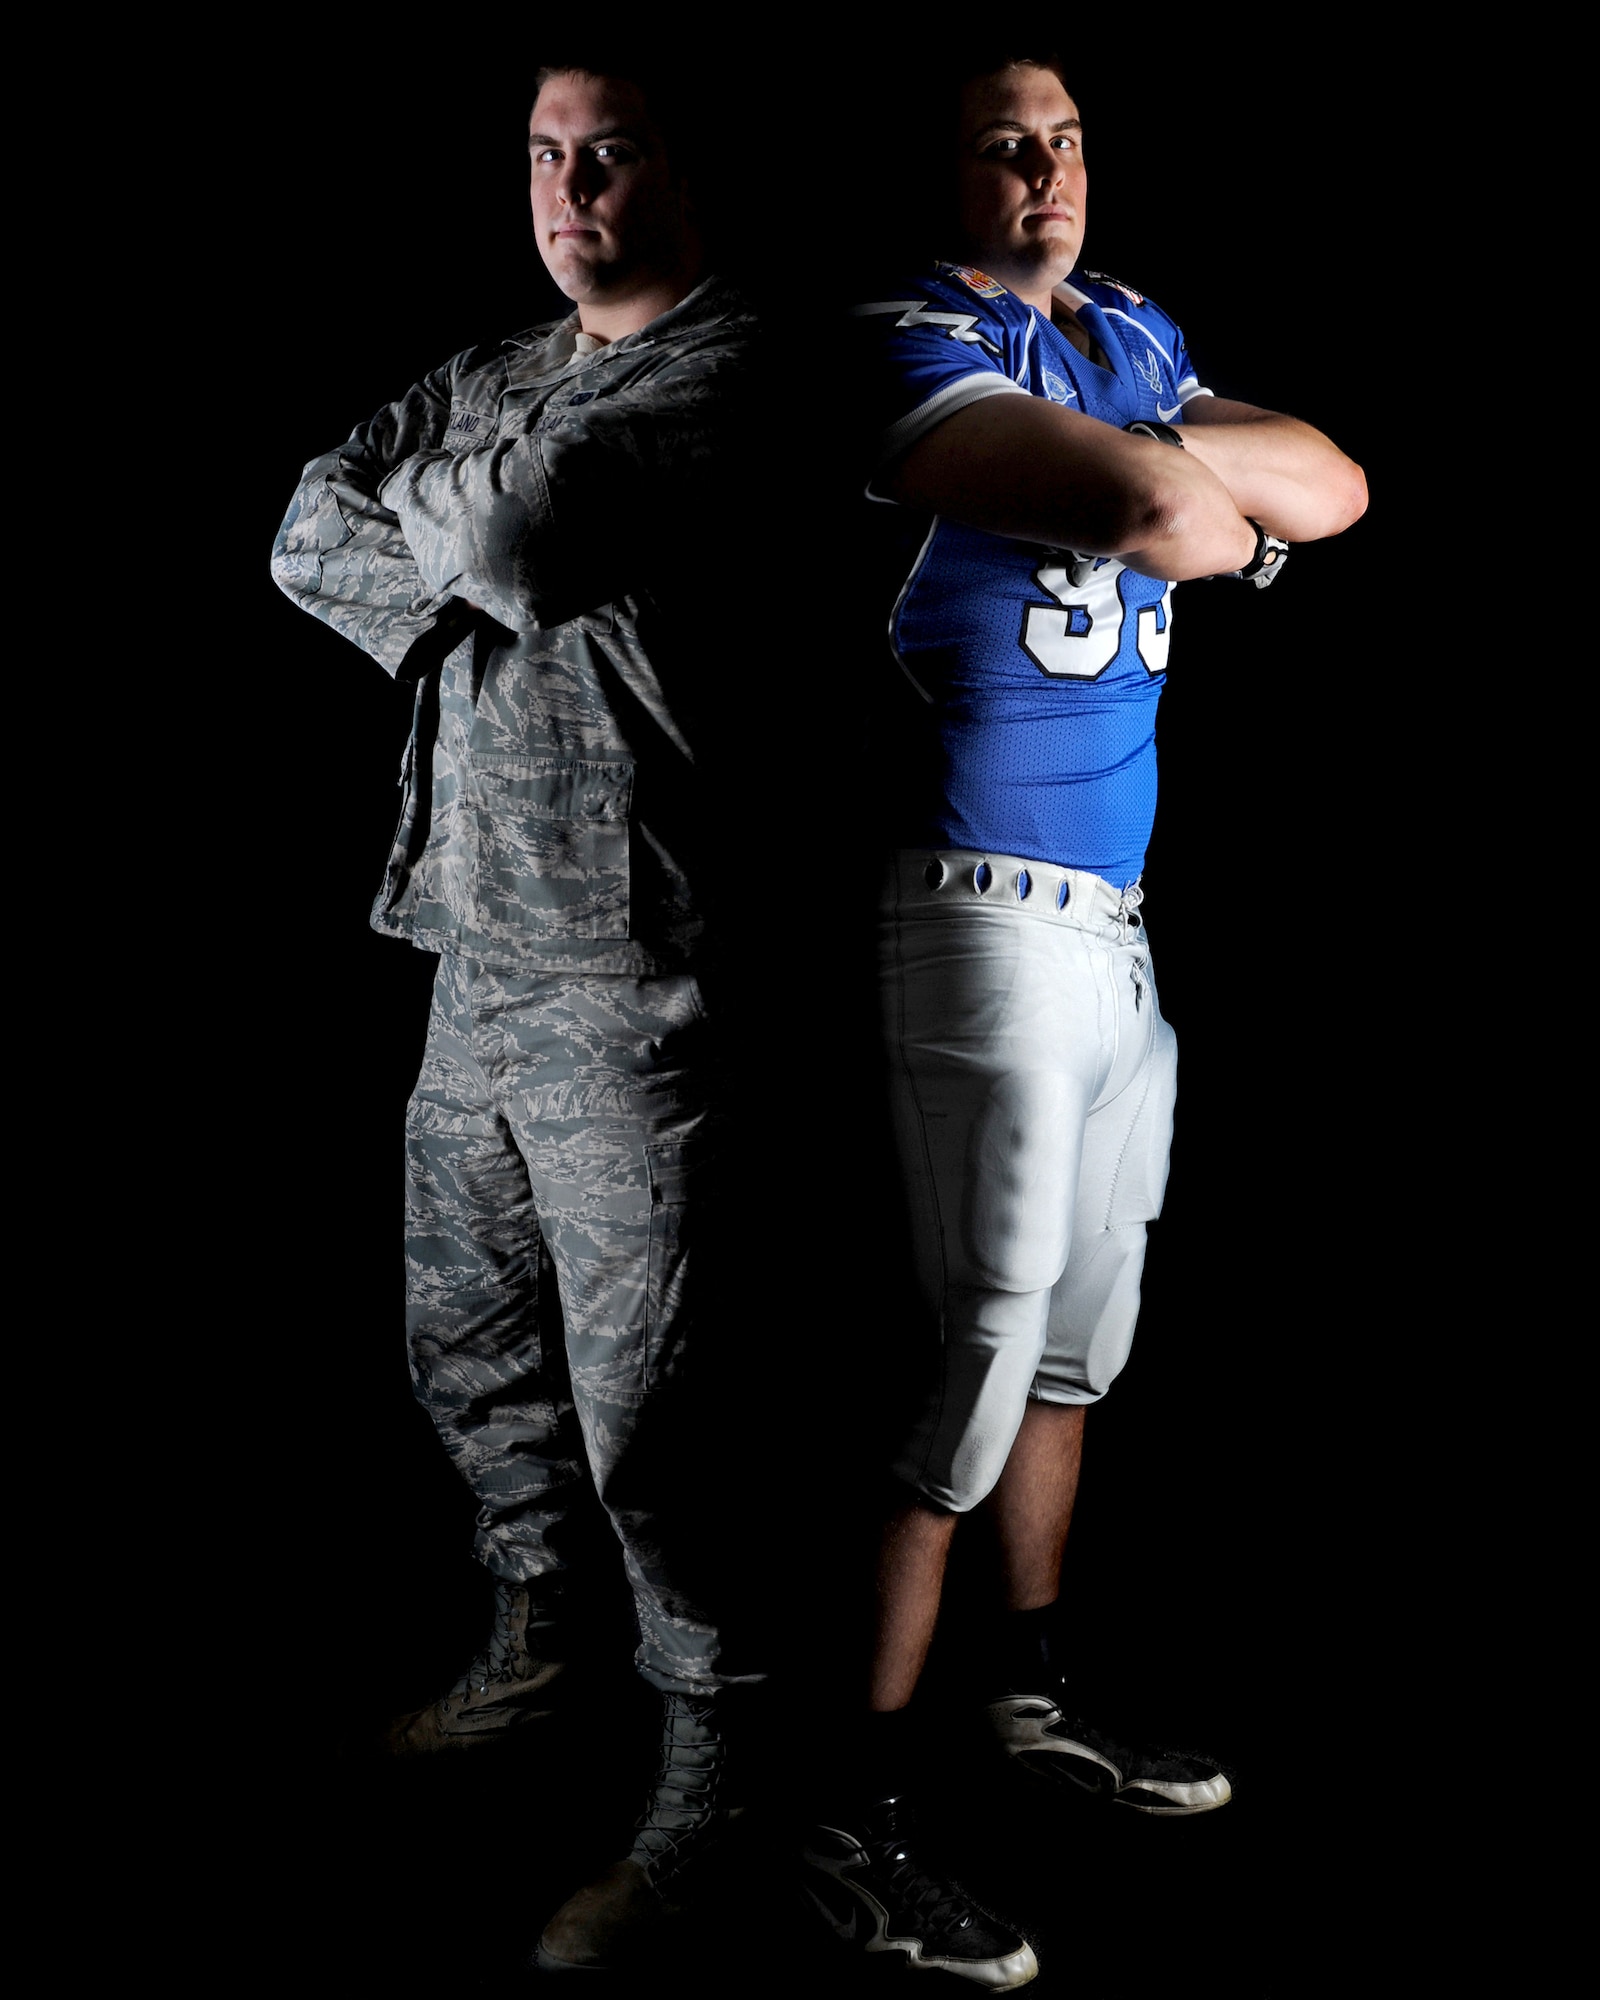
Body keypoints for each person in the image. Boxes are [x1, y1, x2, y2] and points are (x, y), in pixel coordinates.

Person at [799, 49, 1368, 1987]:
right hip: (968, 907)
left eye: (1060, 140)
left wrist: (1194, 502)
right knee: (968, 1354)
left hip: (1111, 926)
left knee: (1076, 1341)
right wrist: (1193, 505)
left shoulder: (1124, 325)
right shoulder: (891, 333)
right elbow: (1171, 509)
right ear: (937, 172)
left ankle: (1022, 1691)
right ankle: (845, 1815)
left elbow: (1330, 482)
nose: (1039, 171)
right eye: (996, 144)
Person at [270, 52, 765, 1976]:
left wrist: (465, 524)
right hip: (471, 949)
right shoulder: (499, 370)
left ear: (682, 168)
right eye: (547, 158)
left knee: (659, 1420)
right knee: (463, 1348)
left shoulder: (732, 363)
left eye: (613, 153)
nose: (572, 192)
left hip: (640, 969)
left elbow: (525, 539)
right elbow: (305, 529)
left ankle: (716, 1782)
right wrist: (472, 519)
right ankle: (543, 1658)